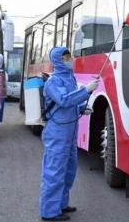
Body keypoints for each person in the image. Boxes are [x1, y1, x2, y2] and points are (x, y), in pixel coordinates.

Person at [39, 47, 99, 222]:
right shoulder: (53, 82)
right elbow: (64, 100)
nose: (69, 60)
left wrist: (82, 108)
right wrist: (86, 91)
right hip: (57, 133)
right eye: (65, 57)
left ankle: (61, 204)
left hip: (69, 132)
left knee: (68, 171)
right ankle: (49, 212)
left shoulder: (69, 79)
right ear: (58, 61)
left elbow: (69, 102)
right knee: (54, 172)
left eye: (69, 56)